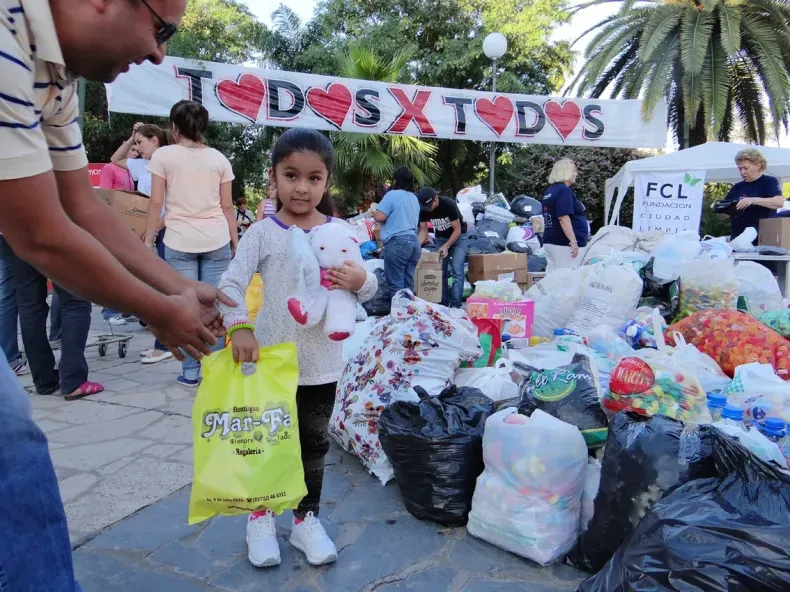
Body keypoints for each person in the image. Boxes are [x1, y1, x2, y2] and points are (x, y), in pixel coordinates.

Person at [0, 2, 239, 591]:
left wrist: (180, 287)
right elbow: (41, 234)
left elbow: (82, 207)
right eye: (161, 30)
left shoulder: (54, 73)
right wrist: (159, 310)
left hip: (180, 245)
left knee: (13, 439)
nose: (159, 53)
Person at [217, 128, 377, 569]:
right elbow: (229, 284)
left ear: (326, 182)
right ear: (274, 177)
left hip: (323, 365)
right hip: (271, 365)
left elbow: (370, 284)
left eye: (314, 178)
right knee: (267, 444)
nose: (302, 187)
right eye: (291, 175)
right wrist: (240, 328)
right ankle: (260, 518)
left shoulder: (340, 232)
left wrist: (361, 281)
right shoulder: (263, 234)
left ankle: (306, 520)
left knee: (313, 446)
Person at [144, 100, 238, 386]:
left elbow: (156, 202)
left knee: (186, 310)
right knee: (215, 311)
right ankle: (217, 375)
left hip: (179, 241)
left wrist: (148, 240)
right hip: (217, 239)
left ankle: (189, 374)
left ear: (173, 127)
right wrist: (234, 242)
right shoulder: (219, 159)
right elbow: (228, 207)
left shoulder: (163, 156)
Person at [111, 123, 174, 363]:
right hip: (151, 233)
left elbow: (171, 203)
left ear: (155, 140)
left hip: (166, 231)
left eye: (141, 142)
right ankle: (161, 341)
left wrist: (155, 229)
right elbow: (115, 159)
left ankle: (166, 343)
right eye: (136, 143)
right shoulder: (141, 165)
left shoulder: (169, 162)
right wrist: (130, 137)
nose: (137, 148)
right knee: (153, 287)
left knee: (165, 289)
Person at [100, 145, 138, 325]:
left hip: (128, 225)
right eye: (133, 150)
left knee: (127, 269)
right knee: (113, 268)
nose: (136, 154)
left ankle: (122, 308)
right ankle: (108, 311)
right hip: (114, 225)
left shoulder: (130, 172)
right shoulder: (109, 169)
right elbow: (105, 196)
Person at [370, 167, 421, 295]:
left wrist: (374, 212)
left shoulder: (392, 195)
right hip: (414, 243)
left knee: (396, 286)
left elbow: (380, 216)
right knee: (408, 284)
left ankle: (399, 313)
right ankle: (410, 313)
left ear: (396, 180)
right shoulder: (414, 198)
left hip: (397, 243)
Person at [718, 148, 785, 243]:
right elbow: (724, 216)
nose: (742, 172)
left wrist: (752, 200)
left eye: (746, 168)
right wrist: (722, 209)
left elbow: (779, 202)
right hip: (737, 240)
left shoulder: (769, 181)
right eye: (739, 168)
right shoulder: (737, 187)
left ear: (758, 165)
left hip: (762, 240)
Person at [417, 188, 469, 308]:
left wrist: (447, 246)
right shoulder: (424, 209)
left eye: (430, 205)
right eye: (426, 207)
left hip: (459, 237)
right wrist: (416, 246)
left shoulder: (448, 205)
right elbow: (423, 230)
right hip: (441, 238)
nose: (428, 209)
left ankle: (455, 305)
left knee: (457, 270)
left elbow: (458, 229)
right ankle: (443, 304)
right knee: (440, 271)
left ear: (436, 198)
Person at [541, 159, 590, 271]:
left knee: (554, 279)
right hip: (564, 245)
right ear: (565, 171)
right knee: (567, 280)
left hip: (551, 241)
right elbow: (563, 217)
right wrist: (573, 241)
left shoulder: (550, 191)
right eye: (573, 171)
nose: (576, 174)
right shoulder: (564, 190)